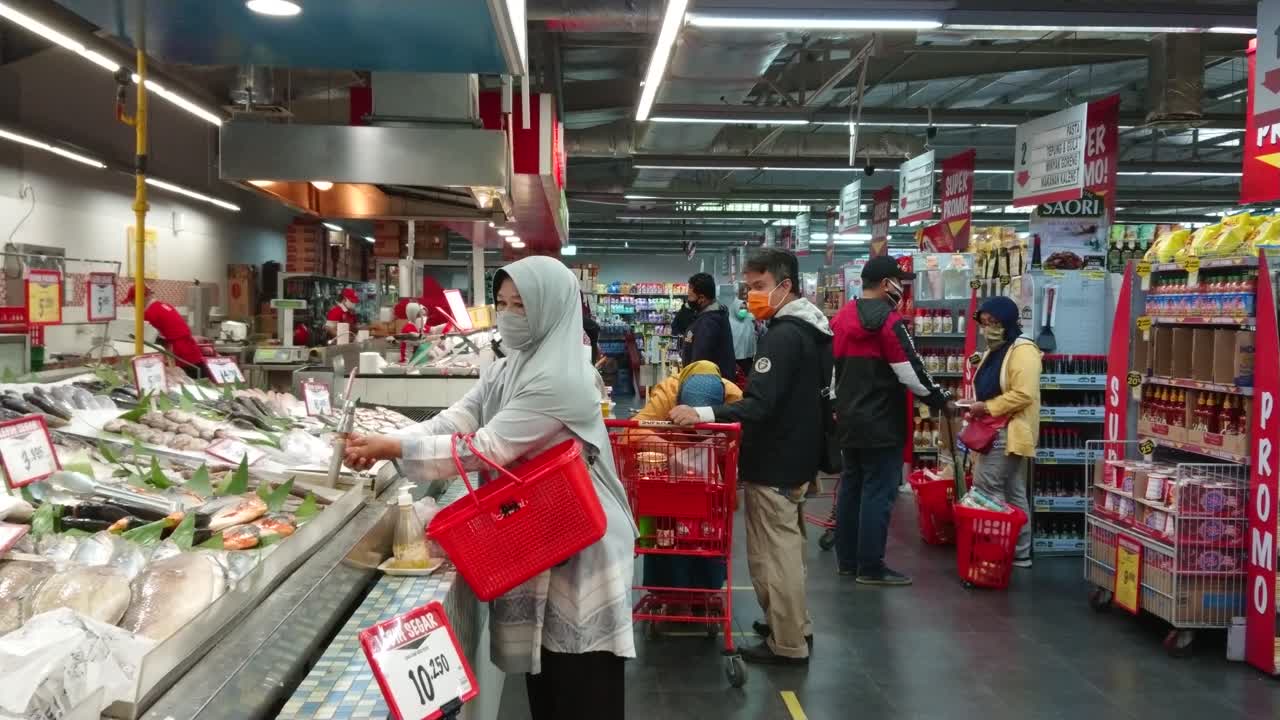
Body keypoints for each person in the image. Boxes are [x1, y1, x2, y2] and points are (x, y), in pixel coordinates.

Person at [343, 256, 636, 719]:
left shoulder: (563, 377)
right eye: (502, 304)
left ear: (552, 309)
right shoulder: (511, 365)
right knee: (548, 679)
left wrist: (393, 448)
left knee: (581, 675)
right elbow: (458, 418)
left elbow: (486, 448)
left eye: (521, 306)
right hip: (545, 525)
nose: (508, 316)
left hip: (582, 538)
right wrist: (391, 438)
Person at [670, 248, 830, 666]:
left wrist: (702, 413)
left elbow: (759, 404)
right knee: (791, 550)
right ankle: (795, 624)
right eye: (748, 287)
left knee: (773, 556)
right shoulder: (812, 330)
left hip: (775, 460)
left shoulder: (782, 336)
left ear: (785, 286)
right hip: (799, 456)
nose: (751, 296)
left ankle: (787, 643)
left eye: (759, 287)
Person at [831, 255, 951, 586]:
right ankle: (870, 566)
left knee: (852, 489)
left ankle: (848, 561)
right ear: (886, 284)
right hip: (882, 422)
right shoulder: (889, 321)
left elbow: (831, 372)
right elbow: (910, 372)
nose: (902, 286)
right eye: (898, 280)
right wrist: (941, 399)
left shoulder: (841, 317)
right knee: (878, 493)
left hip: (849, 420)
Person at [627, 361, 743, 615]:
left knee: (708, 532)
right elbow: (632, 430)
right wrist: (671, 452)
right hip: (670, 482)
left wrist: (725, 447)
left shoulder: (734, 397)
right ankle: (670, 593)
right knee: (668, 533)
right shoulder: (667, 392)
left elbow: (745, 438)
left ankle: (705, 589)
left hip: (711, 484)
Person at [969, 295, 1042, 568]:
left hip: (1009, 429)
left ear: (1008, 322)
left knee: (987, 488)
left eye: (995, 322)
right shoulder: (998, 348)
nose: (989, 328)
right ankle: (1019, 551)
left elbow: (1023, 394)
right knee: (1012, 491)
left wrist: (987, 407)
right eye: (985, 322)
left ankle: (996, 553)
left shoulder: (1023, 350)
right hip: (995, 428)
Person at [124, 285, 205, 377]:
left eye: (132, 301)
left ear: (141, 297)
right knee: (200, 377)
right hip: (191, 348)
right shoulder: (164, 305)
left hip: (179, 351)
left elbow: (148, 339)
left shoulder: (149, 313)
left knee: (187, 381)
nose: (133, 304)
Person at [674, 273, 737, 381]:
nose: (689, 301)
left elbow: (700, 364)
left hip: (704, 388)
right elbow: (677, 326)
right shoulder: (704, 316)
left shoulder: (708, 323)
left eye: (690, 297)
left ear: (702, 298)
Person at [727, 282, 759, 380]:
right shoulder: (740, 303)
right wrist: (752, 313)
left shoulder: (739, 303)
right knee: (745, 370)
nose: (746, 293)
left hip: (743, 347)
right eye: (744, 291)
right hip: (740, 348)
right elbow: (741, 315)